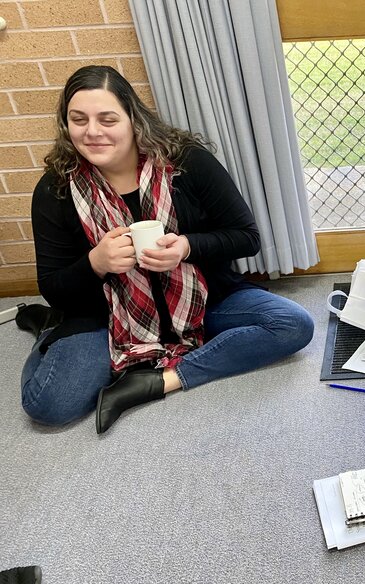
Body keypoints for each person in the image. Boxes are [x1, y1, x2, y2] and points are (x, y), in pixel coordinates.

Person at [20, 65, 314, 434]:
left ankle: (157, 380)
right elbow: (53, 286)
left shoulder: (187, 162)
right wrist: (95, 263)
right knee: (49, 405)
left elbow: (246, 236)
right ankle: (46, 329)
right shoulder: (56, 189)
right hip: (105, 317)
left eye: (107, 119)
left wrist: (187, 247)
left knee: (293, 325)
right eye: (78, 119)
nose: (92, 131)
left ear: (133, 119)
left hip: (204, 299)